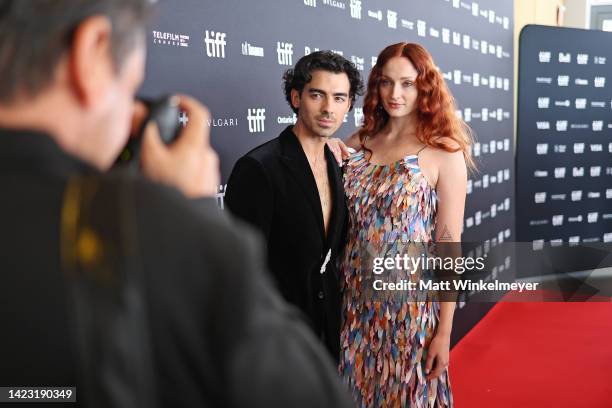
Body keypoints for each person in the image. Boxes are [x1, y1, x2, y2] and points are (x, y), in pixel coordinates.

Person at [0, 1, 353, 407]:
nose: (130, 113)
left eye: (340, 98)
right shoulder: (149, 224)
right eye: (130, 85)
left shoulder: (340, 160)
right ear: (92, 51)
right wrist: (192, 215)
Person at [336, 42, 472, 407]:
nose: (395, 94)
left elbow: (449, 243)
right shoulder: (356, 143)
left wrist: (444, 330)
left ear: (424, 87)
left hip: (410, 309)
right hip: (354, 304)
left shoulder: (444, 151)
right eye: (386, 82)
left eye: (408, 84)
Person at [224, 51, 363, 362]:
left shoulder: (338, 163)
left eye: (340, 98)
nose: (329, 108)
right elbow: (239, 270)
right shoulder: (259, 168)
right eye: (318, 95)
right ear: (296, 97)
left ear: (349, 106)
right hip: (276, 338)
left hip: (327, 328)